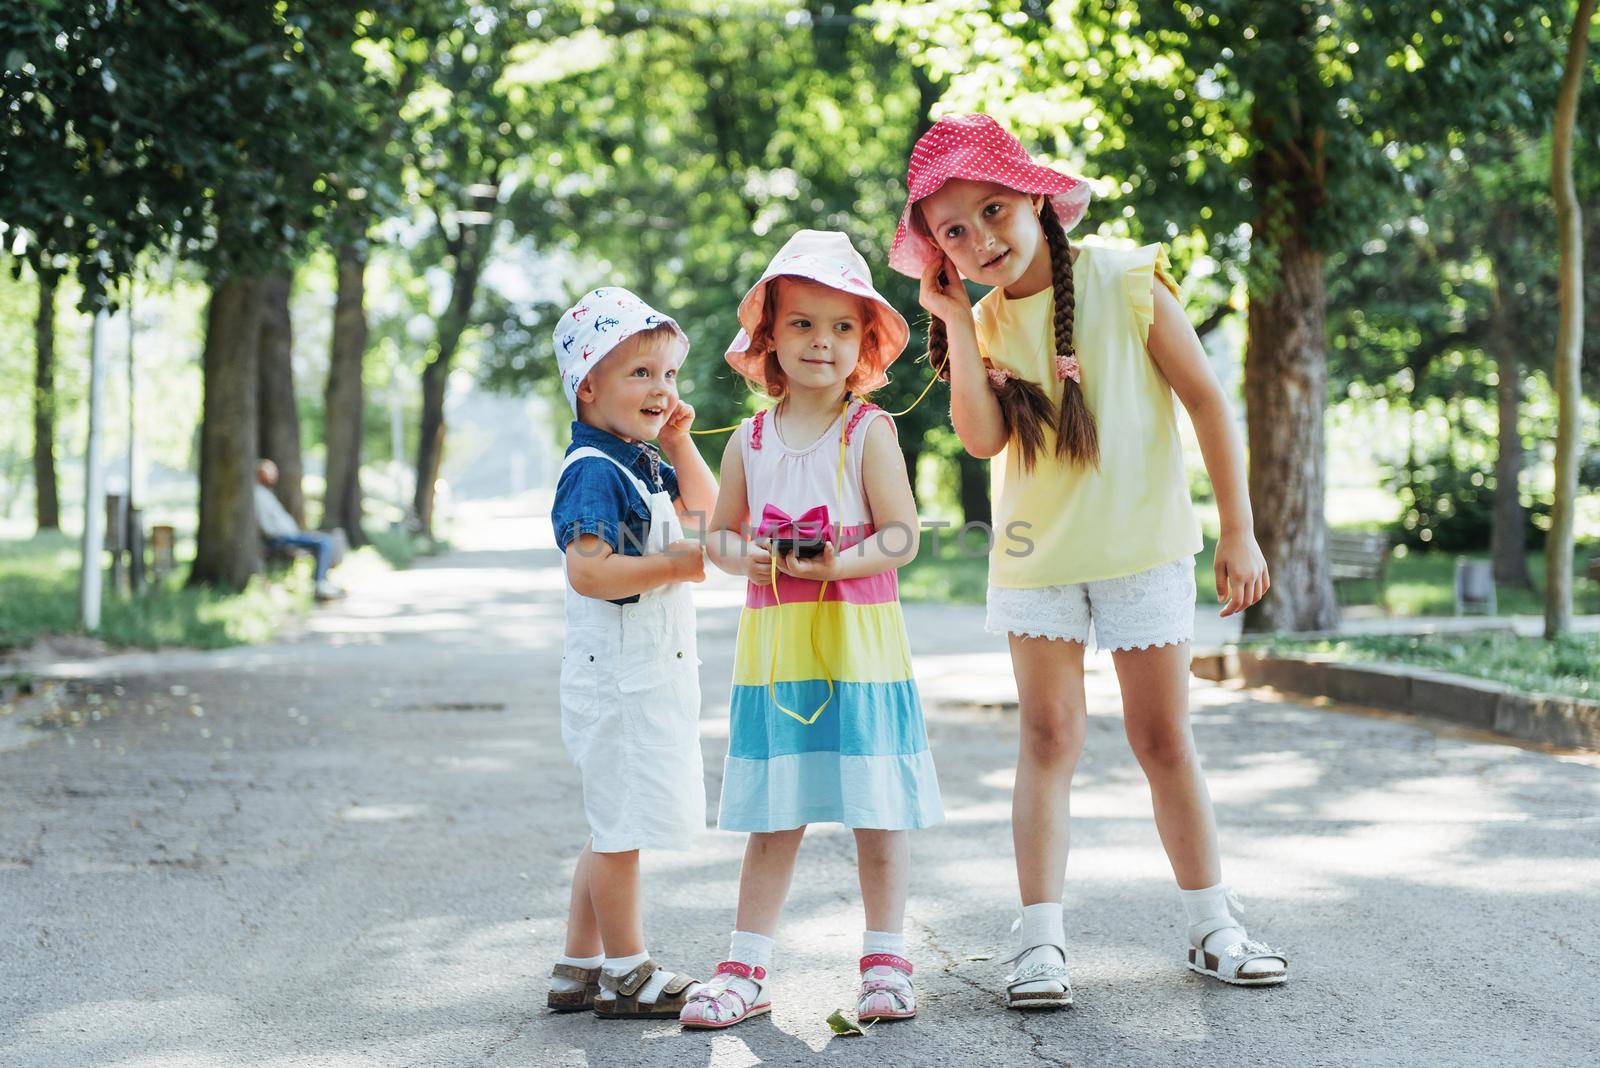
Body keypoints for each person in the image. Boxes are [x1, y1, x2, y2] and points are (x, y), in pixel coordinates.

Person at [896, 114, 1287, 1007]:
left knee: (1162, 740)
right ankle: (1038, 942)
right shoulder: (983, 319)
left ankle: (1213, 923)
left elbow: (1208, 403)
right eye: (953, 231)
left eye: (993, 210)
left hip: (1142, 547)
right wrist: (955, 322)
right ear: (936, 252)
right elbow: (982, 439)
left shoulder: (1122, 275)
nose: (981, 239)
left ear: (1035, 197)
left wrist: (1239, 530)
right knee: (1048, 738)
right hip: (1038, 560)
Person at [678, 231, 943, 1031]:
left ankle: (886, 958)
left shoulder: (868, 433)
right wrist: (747, 557)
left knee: (875, 807)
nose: (821, 341)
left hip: (858, 648)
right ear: (769, 337)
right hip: (780, 652)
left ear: (864, 343)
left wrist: (838, 563)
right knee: (774, 812)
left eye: (840, 326)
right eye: (802, 324)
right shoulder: (750, 442)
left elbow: (903, 534)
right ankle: (747, 965)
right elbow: (716, 536)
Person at [544, 285, 718, 1020]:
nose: (662, 389)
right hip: (616, 682)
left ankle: (576, 966)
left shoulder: (641, 460)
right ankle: (628, 968)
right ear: (589, 385)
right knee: (620, 830)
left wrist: (679, 441)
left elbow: (710, 516)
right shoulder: (593, 469)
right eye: (642, 373)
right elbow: (588, 572)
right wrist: (673, 566)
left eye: (670, 374)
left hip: (643, 674)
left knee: (610, 822)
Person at [254, 460, 344, 602]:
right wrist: (285, 535)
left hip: (289, 535)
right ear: (260, 473)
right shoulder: (257, 495)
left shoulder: (266, 493)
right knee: (324, 542)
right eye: (269, 471)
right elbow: (266, 526)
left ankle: (324, 582)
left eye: (274, 471)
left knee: (332, 538)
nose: (273, 475)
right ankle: (320, 584)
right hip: (280, 538)